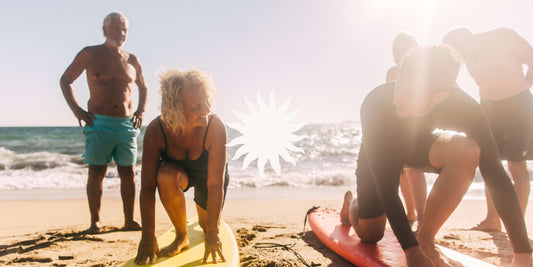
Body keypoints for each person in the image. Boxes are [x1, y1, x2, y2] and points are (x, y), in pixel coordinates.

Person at [340, 46, 532, 266]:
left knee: (467, 151)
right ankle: (352, 202)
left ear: (440, 97)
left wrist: (522, 254)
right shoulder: (377, 103)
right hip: (379, 151)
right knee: (371, 234)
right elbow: (386, 187)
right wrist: (411, 253)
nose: (398, 100)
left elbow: (495, 174)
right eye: (399, 87)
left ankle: (425, 237)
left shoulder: (466, 109)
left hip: (419, 144)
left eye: (410, 95)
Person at [60, 12, 147, 233]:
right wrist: (77, 111)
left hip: (127, 125)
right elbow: (66, 80)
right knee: (96, 172)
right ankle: (95, 222)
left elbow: (143, 88)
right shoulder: (90, 54)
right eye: (116, 27)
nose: (121, 33)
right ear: (104, 29)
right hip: (99, 123)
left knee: (128, 173)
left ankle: (129, 220)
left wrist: (141, 111)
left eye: (125, 29)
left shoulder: (132, 60)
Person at [134, 70, 230, 265]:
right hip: (177, 175)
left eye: (206, 102)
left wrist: (213, 233)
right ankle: (181, 236)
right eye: (197, 106)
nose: (205, 110)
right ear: (175, 109)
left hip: (208, 178)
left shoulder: (215, 127)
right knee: (165, 175)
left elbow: (215, 184)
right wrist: (147, 236)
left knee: (206, 227)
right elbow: (147, 187)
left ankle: (205, 222)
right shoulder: (156, 131)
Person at [443, 27, 533, 232]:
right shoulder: (464, 56)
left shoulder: (502, 36)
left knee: (516, 164)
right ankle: (492, 220)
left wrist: (523, 86)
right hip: (489, 108)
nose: (461, 57)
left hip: (518, 104)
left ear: (468, 37)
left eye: (459, 50)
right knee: (490, 162)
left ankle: (516, 225)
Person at [386, 33, 427, 228]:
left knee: (415, 170)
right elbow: (387, 100)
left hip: (418, 126)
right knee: (401, 170)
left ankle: (423, 216)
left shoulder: (425, 71)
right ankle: (410, 212)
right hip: (397, 128)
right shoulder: (393, 72)